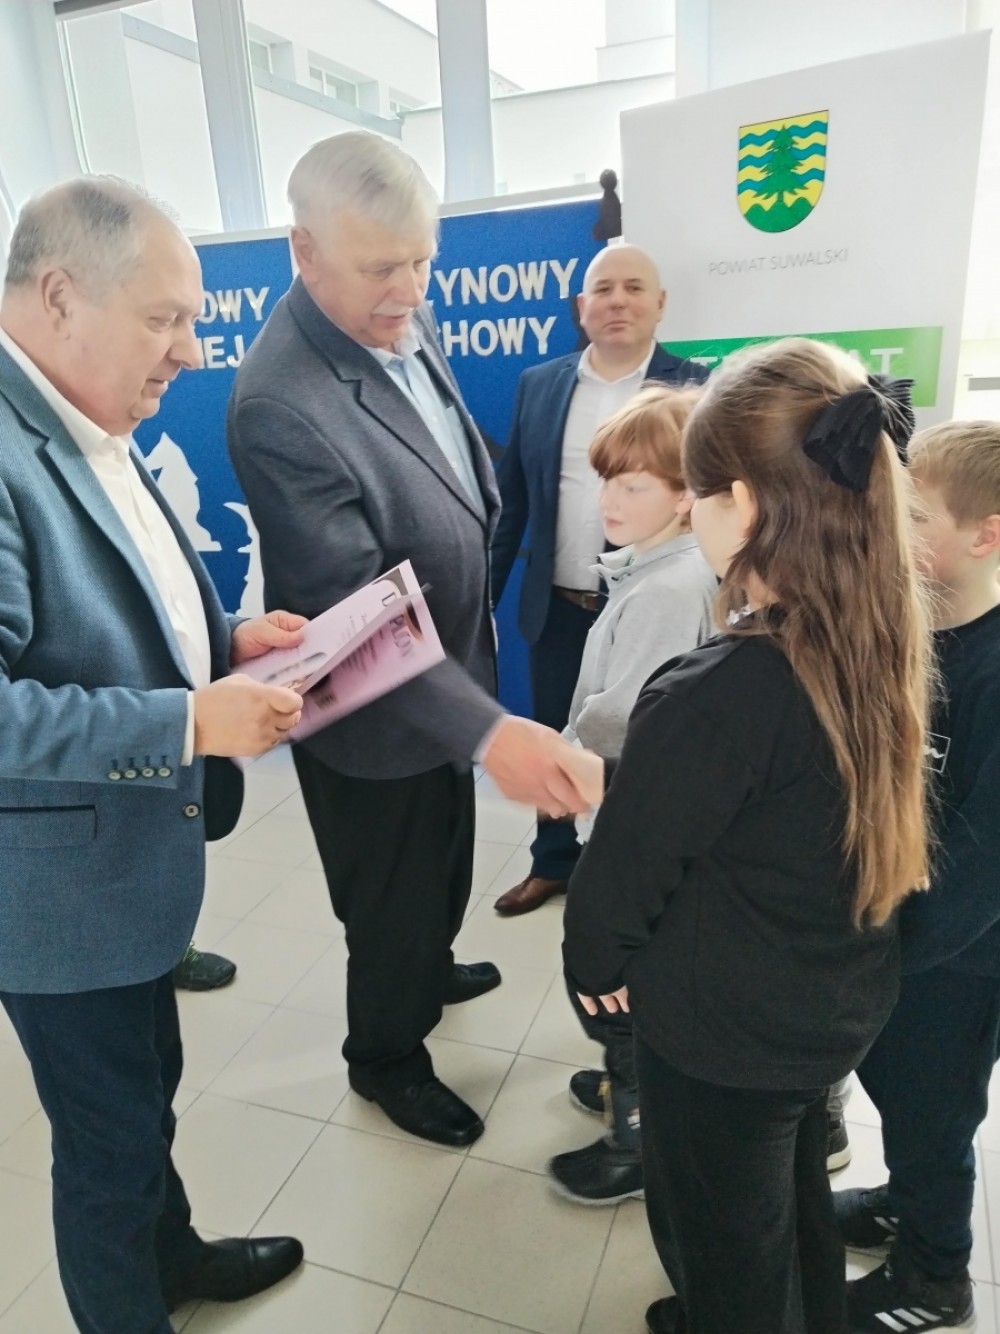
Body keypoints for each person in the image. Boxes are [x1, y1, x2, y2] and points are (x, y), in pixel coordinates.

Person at [227, 132, 597, 1151]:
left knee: (443, 861)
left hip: (449, 673)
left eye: (422, 261)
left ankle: (429, 964)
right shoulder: (279, 401)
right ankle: (385, 1053)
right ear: (305, 251)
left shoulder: (395, 308)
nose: (409, 291)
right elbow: (359, 621)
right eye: (381, 268)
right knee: (389, 899)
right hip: (373, 711)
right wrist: (491, 732)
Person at [563, 338, 934, 1334]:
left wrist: (592, 963)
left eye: (696, 493)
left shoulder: (711, 695)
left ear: (743, 505)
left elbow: (622, 876)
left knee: (720, 1237)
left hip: (721, 1034)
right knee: (788, 1195)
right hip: (829, 1006)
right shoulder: (879, 642)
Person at [0, 177, 307, 1334]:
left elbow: (107, 605)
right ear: (60, 296)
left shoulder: (88, 416)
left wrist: (224, 640)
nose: (191, 348)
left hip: (128, 875)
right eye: (165, 318)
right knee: (107, 1144)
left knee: (147, 1097)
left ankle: (171, 1255)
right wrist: (188, 722)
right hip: (56, 898)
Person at [835, 420, 1000, 1334]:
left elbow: (984, 862)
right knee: (895, 1091)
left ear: (986, 535)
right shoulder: (910, 632)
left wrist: (895, 954)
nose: (892, 530)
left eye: (918, 516)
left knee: (935, 1114)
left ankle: (935, 1275)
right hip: (891, 936)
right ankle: (903, 1200)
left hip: (956, 960)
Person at [537, 385, 717, 1206]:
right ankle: (629, 1081)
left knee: (612, 983)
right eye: (605, 480)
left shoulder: (668, 593)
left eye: (633, 484)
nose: (608, 500)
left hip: (629, 820)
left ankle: (639, 1131)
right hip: (636, 815)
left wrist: (555, 758)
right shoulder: (662, 570)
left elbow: (625, 721)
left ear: (685, 497)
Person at [490, 243, 707, 917]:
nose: (618, 301)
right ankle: (553, 862)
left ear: (660, 303)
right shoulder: (540, 384)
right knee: (558, 734)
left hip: (653, 603)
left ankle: (625, 871)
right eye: (603, 289)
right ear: (581, 307)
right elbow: (512, 502)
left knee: (642, 751)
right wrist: (482, 602)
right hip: (560, 606)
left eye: (634, 287)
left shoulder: (694, 387)